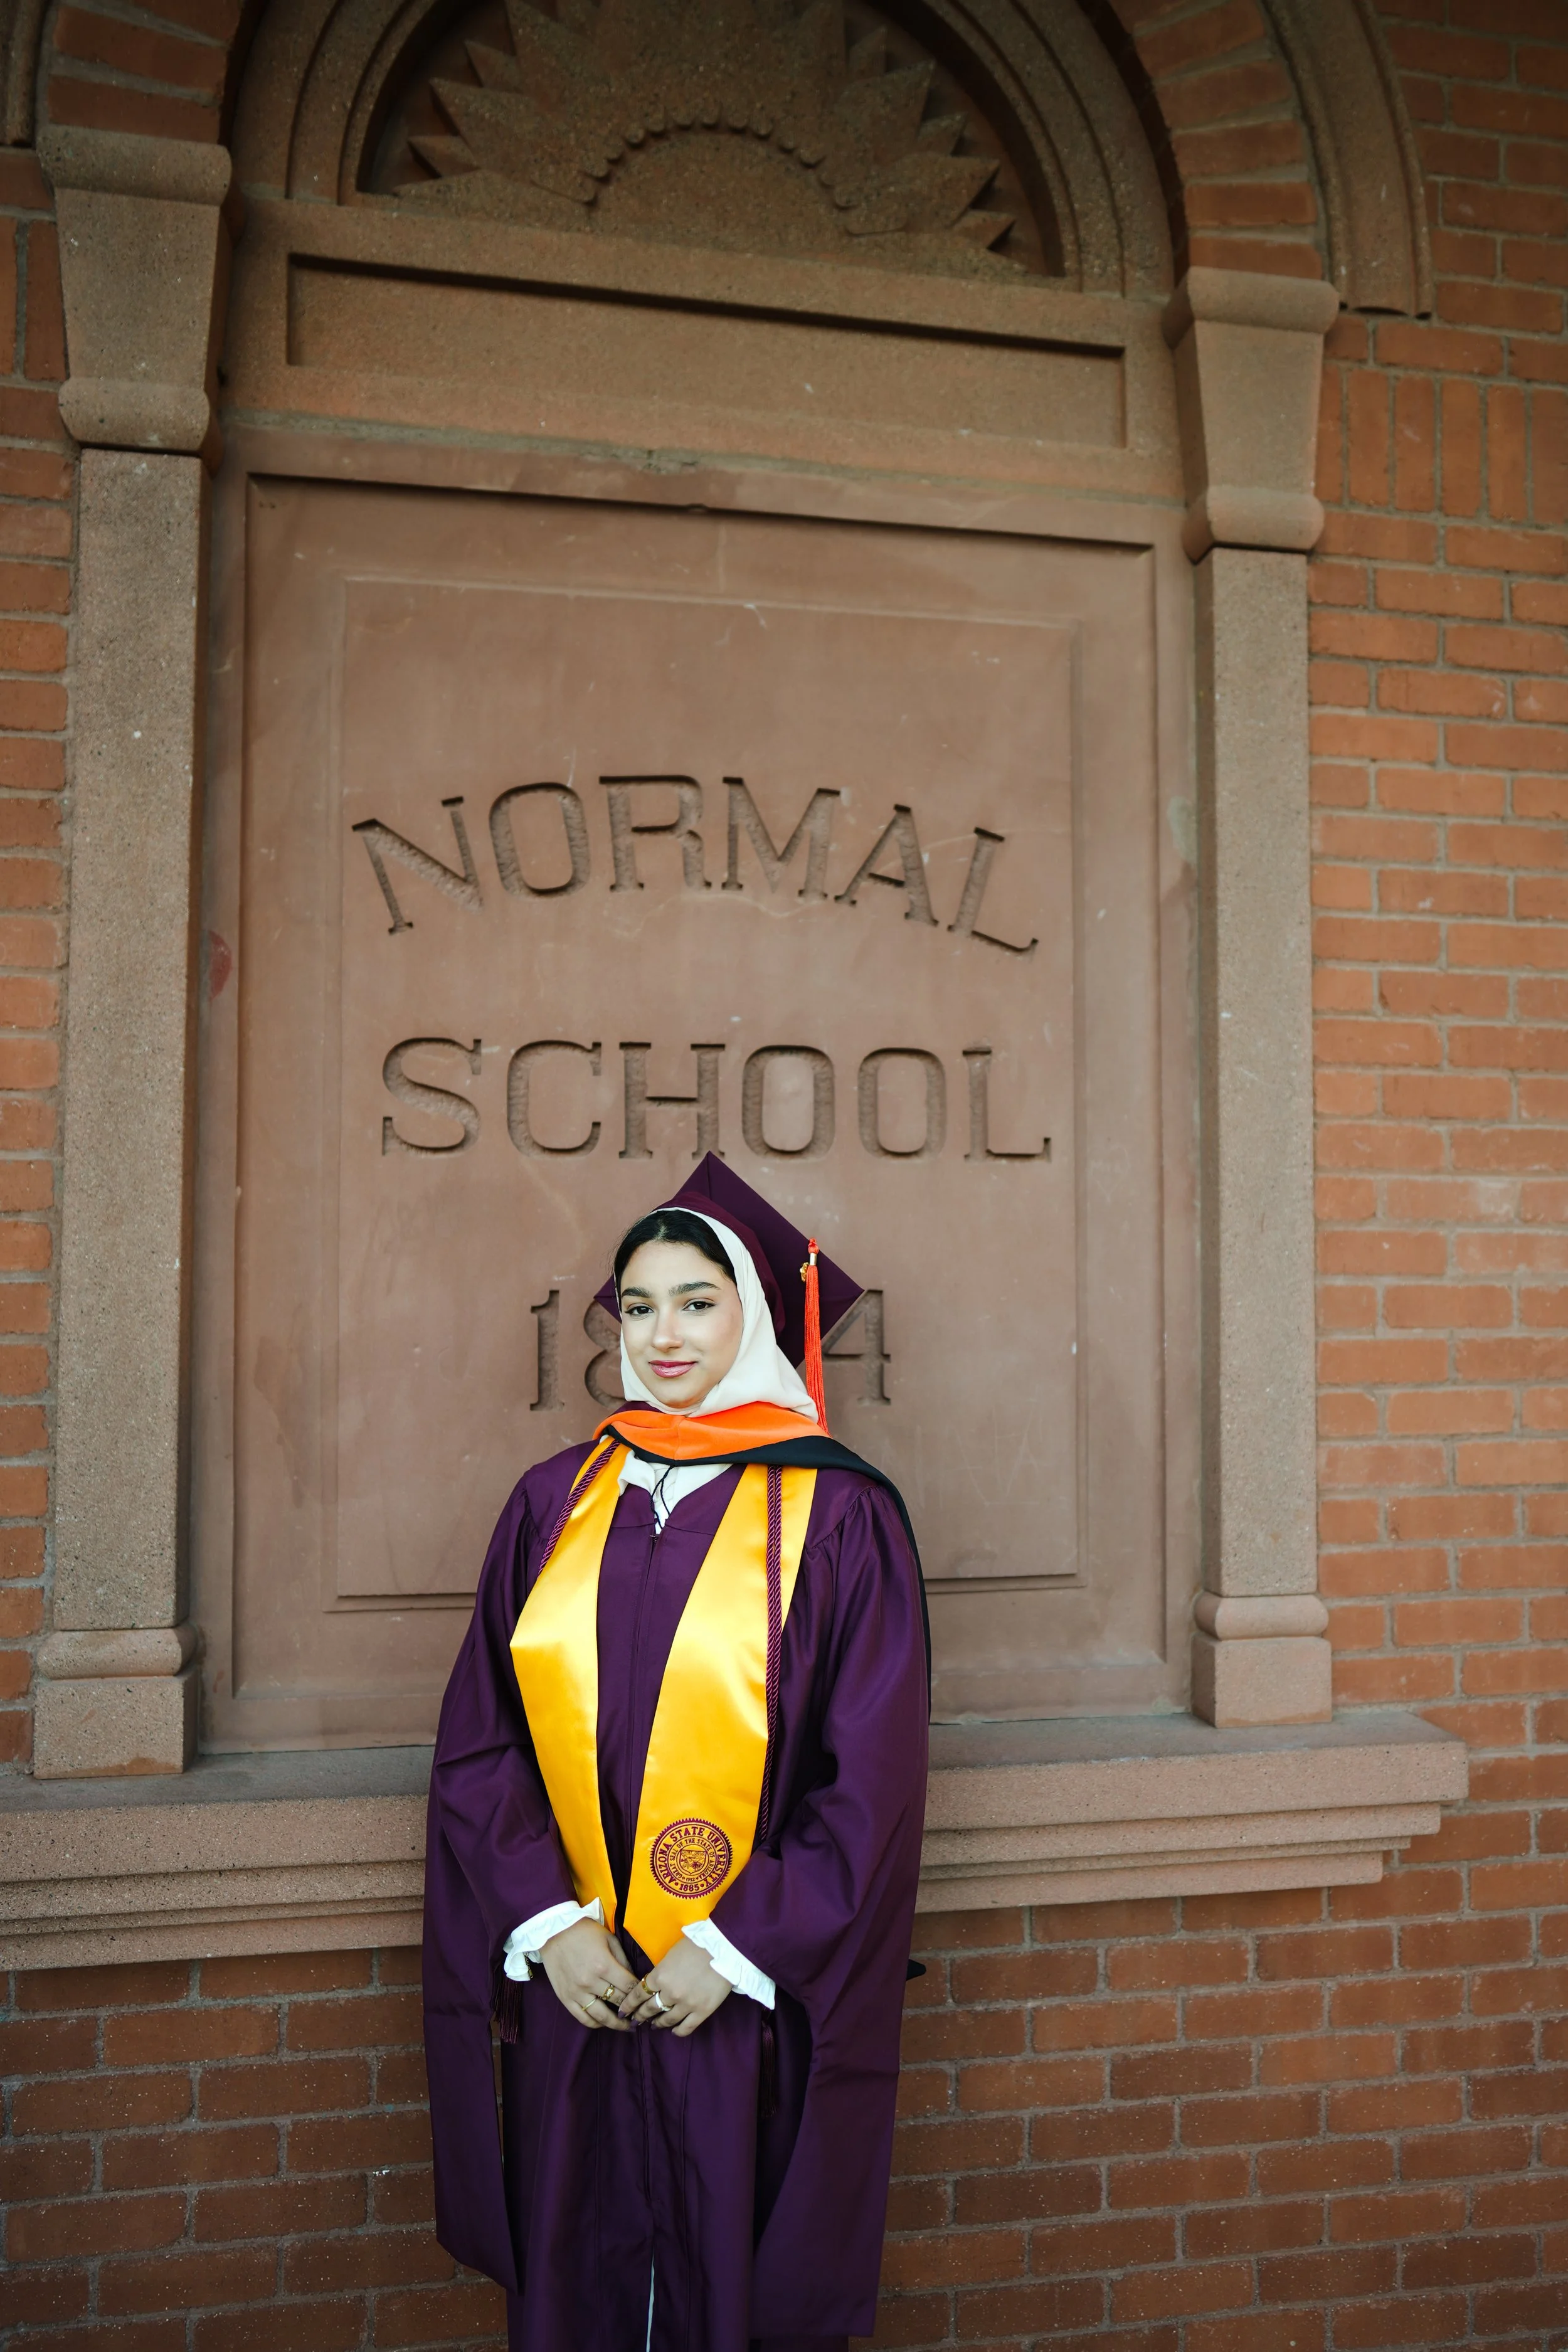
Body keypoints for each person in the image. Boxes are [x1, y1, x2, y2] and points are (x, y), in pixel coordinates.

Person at [422, 1155, 930, 2352]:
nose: (662, 1335)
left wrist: (740, 1945)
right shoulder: (555, 1500)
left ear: (753, 1316)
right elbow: (481, 1740)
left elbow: (872, 1782)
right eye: (639, 1305)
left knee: (731, 2274)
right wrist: (549, 1924)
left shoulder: (839, 1514)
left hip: (739, 2000)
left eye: (697, 1302)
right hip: (584, 1986)